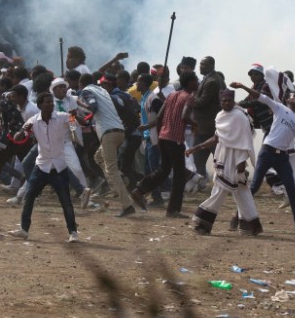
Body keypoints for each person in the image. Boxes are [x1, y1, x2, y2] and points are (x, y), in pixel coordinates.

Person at [232, 82, 295, 233]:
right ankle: (237, 216)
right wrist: (242, 87)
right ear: (287, 100)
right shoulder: (279, 108)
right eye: (294, 96)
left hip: (282, 157)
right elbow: (259, 96)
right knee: (254, 187)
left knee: (292, 190)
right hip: (267, 152)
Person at [187, 88, 261, 236]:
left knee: (219, 191)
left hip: (235, 161)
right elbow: (216, 138)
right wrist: (196, 147)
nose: (226, 103)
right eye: (223, 101)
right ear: (220, 102)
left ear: (233, 101)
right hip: (222, 158)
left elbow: (245, 142)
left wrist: (241, 164)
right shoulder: (220, 116)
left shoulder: (239, 117)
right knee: (242, 193)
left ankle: (202, 224)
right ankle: (251, 226)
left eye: (229, 100)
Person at [7, 92, 79, 242]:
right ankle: (24, 229)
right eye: (47, 102)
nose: (51, 104)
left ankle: (73, 232)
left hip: (58, 166)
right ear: (40, 105)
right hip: (42, 166)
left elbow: (72, 117)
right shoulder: (34, 120)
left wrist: (73, 132)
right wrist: (20, 133)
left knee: (65, 201)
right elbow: (22, 133)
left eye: (51, 102)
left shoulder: (60, 116)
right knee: (29, 197)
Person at [130, 71, 199, 218]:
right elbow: (185, 116)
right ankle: (172, 210)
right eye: (195, 81)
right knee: (179, 176)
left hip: (164, 137)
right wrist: (195, 124)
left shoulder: (172, 95)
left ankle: (139, 190)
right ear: (190, 83)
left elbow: (160, 116)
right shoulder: (189, 97)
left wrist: (162, 133)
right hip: (175, 140)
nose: (198, 83)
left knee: (163, 170)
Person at [79, 75, 139, 217]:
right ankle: (118, 180)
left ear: (81, 84)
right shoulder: (103, 92)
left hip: (108, 133)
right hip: (118, 131)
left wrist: (80, 108)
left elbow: (92, 107)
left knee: (110, 169)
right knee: (98, 157)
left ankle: (127, 205)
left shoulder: (86, 92)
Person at [190, 56, 223, 179]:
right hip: (205, 126)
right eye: (200, 64)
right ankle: (200, 181)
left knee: (217, 158)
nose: (200, 66)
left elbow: (203, 101)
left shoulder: (212, 81)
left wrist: (191, 100)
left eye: (203, 64)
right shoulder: (209, 79)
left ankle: (230, 179)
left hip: (208, 126)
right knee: (199, 158)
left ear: (211, 66)